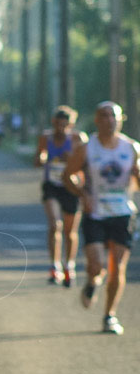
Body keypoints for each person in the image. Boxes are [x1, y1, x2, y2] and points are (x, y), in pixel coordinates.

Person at [62, 101, 140, 334]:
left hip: (123, 213)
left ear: (120, 119)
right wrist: (83, 194)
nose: (109, 120)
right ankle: (93, 281)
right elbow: (68, 176)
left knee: (117, 267)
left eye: (113, 116)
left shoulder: (132, 148)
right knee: (97, 266)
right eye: (104, 116)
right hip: (95, 213)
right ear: (96, 120)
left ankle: (109, 316)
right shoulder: (87, 149)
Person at [33, 106, 86, 286]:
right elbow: (36, 161)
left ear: (71, 124)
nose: (62, 129)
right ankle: (54, 265)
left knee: (70, 231)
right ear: (53, 123)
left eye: (66, 125)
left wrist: (71, 160)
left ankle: (68, 265)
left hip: (71, 187)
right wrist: (44, 158)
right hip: (52, 186)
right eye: (58, 125)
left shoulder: (78, 139)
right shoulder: (45, 138)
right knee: (55, 224)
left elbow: (86, 164)